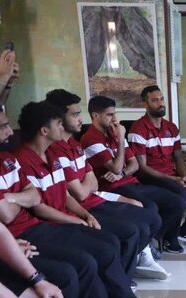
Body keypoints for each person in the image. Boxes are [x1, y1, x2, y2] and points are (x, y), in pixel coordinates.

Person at [0, 100, 169, 298]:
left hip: (39, 224)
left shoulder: (12, 159)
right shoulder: (20, 158)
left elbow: (38, 195)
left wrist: (11, 197)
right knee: (87, 260)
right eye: (2, 127)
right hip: (25, 233)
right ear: (44, 130)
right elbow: (11, 213)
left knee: (110, 242)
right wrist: (24, 199)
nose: (10, 132)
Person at [44, 88, 168, 281]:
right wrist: (120, 140)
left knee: (152, 217)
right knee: (135, 227)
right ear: (58, 120)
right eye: (75, 115)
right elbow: (81, 192)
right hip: (87, 202)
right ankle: (124, 275)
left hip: (98, 194)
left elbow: (95, 181)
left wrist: (90, 183)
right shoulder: (61, 148)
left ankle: (134, 260)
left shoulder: (75, 144)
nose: (80, 119)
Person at [80, 95, 186, 254]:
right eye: (110, 114)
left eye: (114, 114)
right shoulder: (90, 138)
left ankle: (150, 241)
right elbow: (116, 168)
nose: (114, 119)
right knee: (150, 207)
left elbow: (134, 164)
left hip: (130, 181)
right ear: (95, 115)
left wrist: (123, 172)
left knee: (178, 202)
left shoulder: (113, 132)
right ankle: (146, 245)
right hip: (111, 188)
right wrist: (120, 139)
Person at [129, 85, 186, 248]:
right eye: (155, 100)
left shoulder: (171, 127)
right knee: (181, 193)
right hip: (150, 178)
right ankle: (168, 237)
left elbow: (178, 157)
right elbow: (142, 167)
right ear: (145, 104)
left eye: (161, 99)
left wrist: (183, 177)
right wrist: (174, 180)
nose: (160, 103)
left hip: (172, 175)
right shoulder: (138, 129)